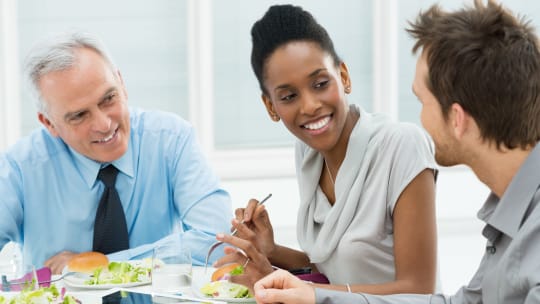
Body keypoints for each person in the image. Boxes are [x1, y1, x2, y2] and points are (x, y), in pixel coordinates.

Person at [250, 0, 540, 303]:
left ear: (457, 119)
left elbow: (424, 290)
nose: (420, 120)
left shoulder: (530, 228)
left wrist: (314, 295)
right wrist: (305, 289)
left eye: (421, 101)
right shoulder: (510, 216)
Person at [213, 4, 438, 295]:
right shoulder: (308, 155)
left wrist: (307, 293)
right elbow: (334, 271)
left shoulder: (402, 146)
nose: (310, 106)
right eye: (289, 96)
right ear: (271, 106)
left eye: (320, 83)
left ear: (343, 76)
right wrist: (271, 251)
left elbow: (418, 290)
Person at [0, 31, 232, 273]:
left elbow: (218, 243)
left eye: (108, 99)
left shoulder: (170, 140)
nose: (104, 124)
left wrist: (99, 267)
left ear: (121, 83)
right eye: (79, 115)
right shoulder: (20, 168)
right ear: (49, 124)